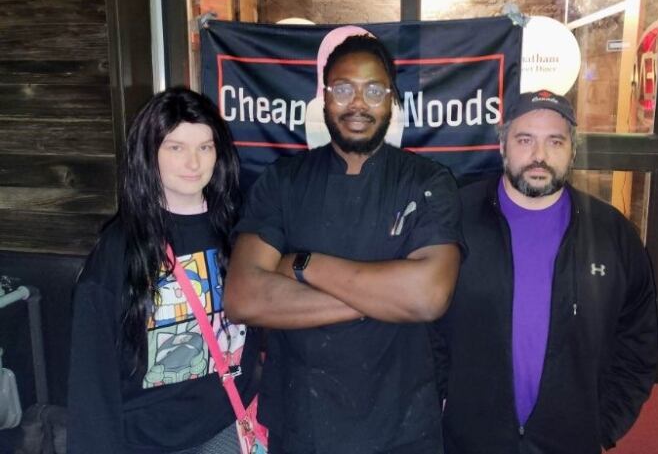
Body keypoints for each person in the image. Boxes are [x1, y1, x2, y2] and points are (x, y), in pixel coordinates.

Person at [224, 33, 463, 454]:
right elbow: (244, 297)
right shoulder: (282, 182)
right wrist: (383, 298)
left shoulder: (428, 182)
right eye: (343, 88)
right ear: (323, 97)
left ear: (392, 99)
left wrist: (302, 264)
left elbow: (427, 297)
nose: (358, 103)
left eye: (374, 90)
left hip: (403, 429)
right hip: (303, 427)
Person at [436, 89, 658, 454]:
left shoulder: (612, 234)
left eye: (555, 141)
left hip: (570, 443)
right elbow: (423, 323)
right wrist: (440, 403)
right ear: (503, 145)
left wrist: (602, 426)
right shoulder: (455, 218)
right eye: (525, 140)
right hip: (467, 441)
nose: (539, 156)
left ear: (572, 149)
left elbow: (638, 341)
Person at [67, 87, 262, 453]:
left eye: (205, 147)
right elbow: (91, 377)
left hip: (229, 427)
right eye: (176, 147)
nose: (194, 162)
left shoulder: (241, 230)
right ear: (150, 154)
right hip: (149, 440)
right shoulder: (120, 248)